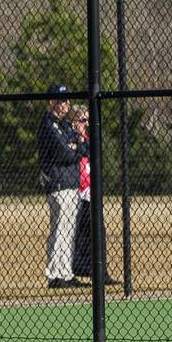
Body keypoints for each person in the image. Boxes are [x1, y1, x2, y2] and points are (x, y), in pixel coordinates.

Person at [36, 84, 88, 289]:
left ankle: (66, 272)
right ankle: (55, 274)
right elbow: (64, 153)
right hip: (58, 183)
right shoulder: (48, 125)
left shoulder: (65, 124)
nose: (66, 105)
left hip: (71, 182)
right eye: (61, 101)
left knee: (69, 230)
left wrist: (75, 146)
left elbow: (82, 146)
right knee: (59, 229)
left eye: (67, 101)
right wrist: (74, 148)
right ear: (52, 102)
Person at [69, 104, 120, 285]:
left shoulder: (86, 138)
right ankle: (85, 268)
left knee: (97, 231)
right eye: (82, 120)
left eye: (87, 120)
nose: (86, 123)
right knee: (81, 233)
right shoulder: (72, 137)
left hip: (89, 192)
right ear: (74, 121)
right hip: (78, 192)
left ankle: (99, 271)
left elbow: (89, 152)